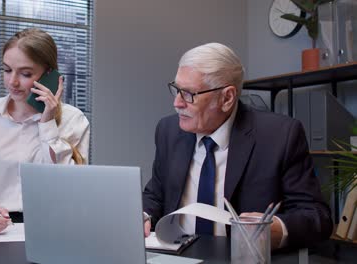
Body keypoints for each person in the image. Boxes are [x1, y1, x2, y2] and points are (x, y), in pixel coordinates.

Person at [142, 43, 332, 250]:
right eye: (176, 90)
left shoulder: (280, 136)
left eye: (188, 94)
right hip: (177, 255)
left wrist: (277, 228)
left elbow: (317, 217)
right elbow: (155, 195)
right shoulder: (168, 131)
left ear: (227, 98)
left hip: (243, 257)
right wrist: (143, 215)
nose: (177, 103)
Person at [0, 28, 90, 234]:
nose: (12, 82)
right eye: (7, 70)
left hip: (55, 230)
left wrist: (47, 124)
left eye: (25, 74)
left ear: (49, 76)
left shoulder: (74, 120)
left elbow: (69, 192)